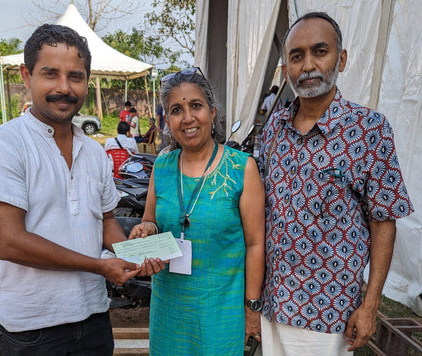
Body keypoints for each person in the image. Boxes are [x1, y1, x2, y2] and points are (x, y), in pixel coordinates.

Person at [0, 24, 164, 355]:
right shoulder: (3, 145)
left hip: (93, 317)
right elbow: (9, 242)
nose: (64, 87)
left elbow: (106, 224)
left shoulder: (94, 152)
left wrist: (138, 253)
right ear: (27, 77)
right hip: (32, 327)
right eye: (51, 74)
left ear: (87, 81)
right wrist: (100, 266)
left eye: (75, 76)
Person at [258, 12, 414, 355]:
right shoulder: (274, 129)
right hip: (273, 305)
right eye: (296, 56)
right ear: (286, 70)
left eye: (320, 51)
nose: (308, 65)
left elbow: (383, 221)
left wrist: (370, 305)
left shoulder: (369, 129)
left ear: (341, 59)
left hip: (329, 315)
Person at [128, 67, 265, 355]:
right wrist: (146, 231)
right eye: (176, 110)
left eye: (196, 106)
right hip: (169, 311)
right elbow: (151, 220)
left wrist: (252, 308)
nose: (188, 118)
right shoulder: (162, 168)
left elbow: (255, 244)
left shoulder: (241, 168)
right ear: (168, 120)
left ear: (213, 112)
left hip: (220, 314)